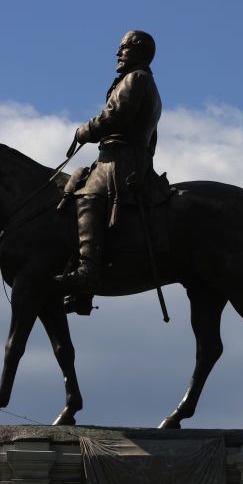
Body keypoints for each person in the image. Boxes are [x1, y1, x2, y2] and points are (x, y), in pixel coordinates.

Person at [54, 30, 162, 291]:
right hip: (120, 156)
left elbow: (115, 116)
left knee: (88, 197)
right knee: (75, 183)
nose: (118, 53)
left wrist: (85, 131)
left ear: (139, 51)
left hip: (122, 159)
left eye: (124, 47)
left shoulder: (136, 78)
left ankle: (87, 270)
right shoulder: (137, 80)